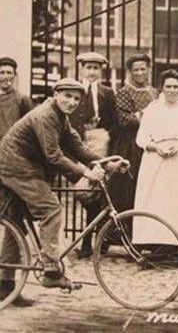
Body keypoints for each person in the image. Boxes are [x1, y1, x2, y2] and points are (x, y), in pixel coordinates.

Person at [0, 78, 126, 306]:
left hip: (24, 166)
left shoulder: (59, 116)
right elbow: (53, 155)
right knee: (51, 208)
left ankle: (4, 287)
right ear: (55, 94)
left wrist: (106, 163)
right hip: (16, 166)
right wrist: (86, 173)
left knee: (15, 222)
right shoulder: (45, 115)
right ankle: (51, 271)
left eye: (77, 99)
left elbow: (76, 146)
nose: (71, 102)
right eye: (67, 96)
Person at [132, 69, 178, 247]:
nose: (172, 90)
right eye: (168, 86)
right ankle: (153, 244)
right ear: (161, 88)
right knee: (156, 202)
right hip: (156, 161)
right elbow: (141, 138)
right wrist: (157, 147)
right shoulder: (152, 111)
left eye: (176, 87)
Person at [69, 52, 117, 259]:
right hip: (76, 141)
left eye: (96, 68)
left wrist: (107, 140)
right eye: (88, 68)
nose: (92, 72)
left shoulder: (107, 92)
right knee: (81, 188)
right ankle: (92, 237)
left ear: (101, 71)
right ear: (81, 69)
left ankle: (92, 242)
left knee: (97, 189)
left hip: (99, 139)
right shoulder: (74, 91)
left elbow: (114, 122)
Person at [108, 53, 158, 215]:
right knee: (130, 184)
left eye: (143, 69)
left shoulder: (154, 92)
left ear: (148, 70)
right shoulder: (124, 92)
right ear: (130, 71)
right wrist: (145, 115)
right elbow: (123, 119)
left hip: (151, 141)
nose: (139, 73)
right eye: (135, 70)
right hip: (131, 144)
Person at [0, 57, 33, 141]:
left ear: (14, 75)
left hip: (11, 148)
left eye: (9, 73)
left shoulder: (22, 99)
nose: (5, 77)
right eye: (2, 72)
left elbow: (32, 125)